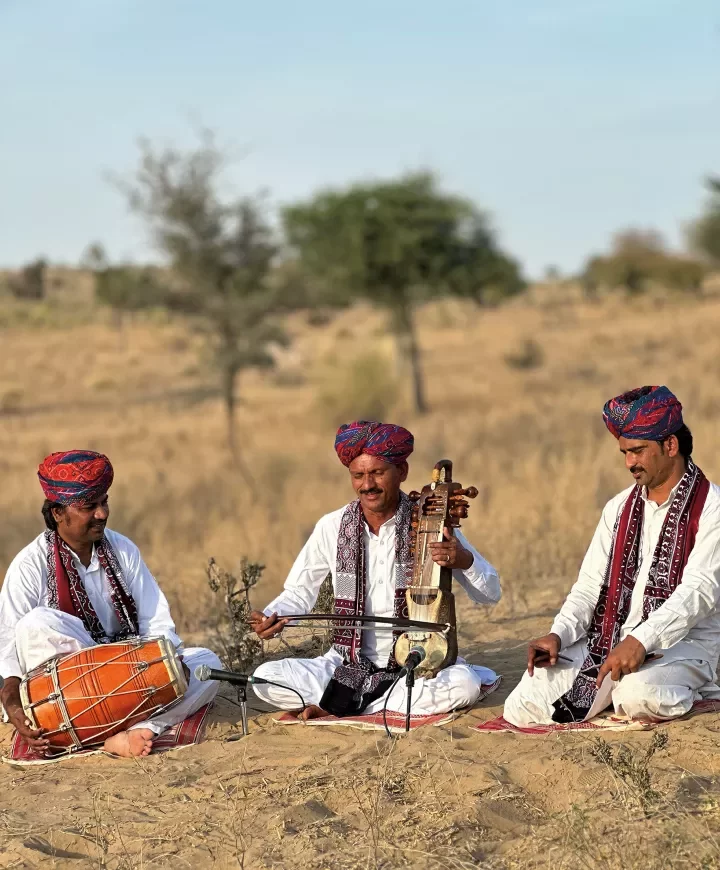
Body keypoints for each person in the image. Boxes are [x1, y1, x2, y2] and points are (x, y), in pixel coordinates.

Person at [249, 420, 501, 719]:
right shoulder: (332, 526)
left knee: (464, 684)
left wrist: (464, 561)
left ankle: (344, 705)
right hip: (345, 666)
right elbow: (299, 592)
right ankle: (380, 704)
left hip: (416, 667)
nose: (367, 484)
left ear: (402, 473)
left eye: (377, 473)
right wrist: (274, 617)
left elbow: (490, 595)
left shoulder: (431, 524)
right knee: (265, 677)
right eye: (358, 475)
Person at [504, 386, 720, 726]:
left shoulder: (711, 508)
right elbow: (590, 586)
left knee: (636, 694)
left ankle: (697, 691)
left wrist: (641, 640)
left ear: (671, 446)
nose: (629, 463)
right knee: (523, 703)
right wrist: (558, 634)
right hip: (609, 641)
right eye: (624, 452)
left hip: (682, 645)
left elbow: (699, 591)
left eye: (637, 451)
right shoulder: (618, 508)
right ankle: (608, 695)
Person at [0, 450, 221, 757]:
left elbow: (156, 621)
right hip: (74, 690)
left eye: (104, 502)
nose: (102, 513)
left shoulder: (123, 550)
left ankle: (138, 731)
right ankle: (113, 728)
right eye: (89, 506)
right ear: (57, 513)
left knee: (206, 664)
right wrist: (11, 701)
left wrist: (171, 662)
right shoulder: (29, 565)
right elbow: (9, 643)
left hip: (131, 670)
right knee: (35, 624)